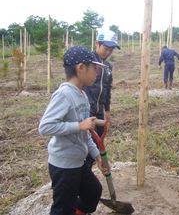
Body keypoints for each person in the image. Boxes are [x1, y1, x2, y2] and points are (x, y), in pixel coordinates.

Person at [39, 46, 109, 215]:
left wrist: (97, 155)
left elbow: (85, 133)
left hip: (78, 161)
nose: (97, 73)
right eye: (95, 68)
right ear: (80, 68)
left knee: (93, 192)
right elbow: (45, 127)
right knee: (63, 208)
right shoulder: (64, 94)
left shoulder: (82, 95)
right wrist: (78, 125)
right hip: (63, 165)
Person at [83, 28, 120, 169]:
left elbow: (107, 89)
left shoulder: (108, 66)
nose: (109, 52)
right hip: (86, 110)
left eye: (112, 49)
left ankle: (87, 172)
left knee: (95, 146)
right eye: (106, 48)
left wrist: (107, 111)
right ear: (97, 43)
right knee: (85, 145)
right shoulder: (88, 61)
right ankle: (82, 174)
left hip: (98, 111)